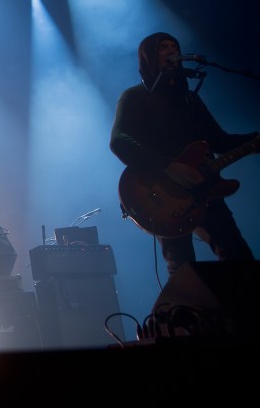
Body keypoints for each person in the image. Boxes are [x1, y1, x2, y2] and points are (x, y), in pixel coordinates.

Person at [110, 31, 257, 276]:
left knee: (240, 258)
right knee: (182, 267)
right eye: (163, 47)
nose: (171, 51)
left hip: (205, 190)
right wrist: (167, 167)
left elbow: (219, 141)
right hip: (164, 193)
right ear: (148, 56)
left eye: (174, 46)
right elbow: (119, 141)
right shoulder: (135, 97)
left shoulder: (189, 99)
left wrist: (254, 140)